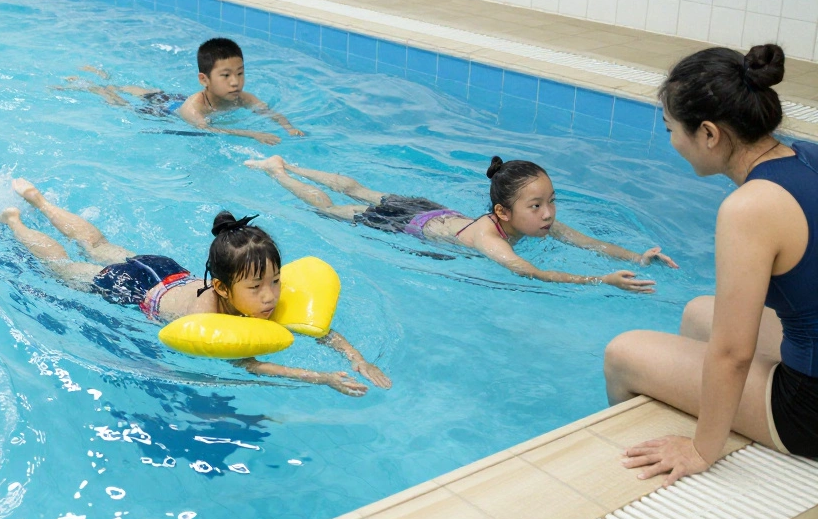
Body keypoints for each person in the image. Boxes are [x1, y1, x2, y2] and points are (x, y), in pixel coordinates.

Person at [604, 44, 818, 485]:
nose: (672, 142)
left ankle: (643, 475)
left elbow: (733, 353)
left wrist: (703, 449)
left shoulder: (750, 207)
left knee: (623, 354)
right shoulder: (808, 157)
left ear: (708, 133)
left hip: (809, 406)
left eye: (671, 129)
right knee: (699, 311)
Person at [0, 178, 390, 396]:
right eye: (256, 287)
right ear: (222, 288)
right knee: (64, 267)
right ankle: (16, 219)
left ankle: (40, 200)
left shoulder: (252, 295)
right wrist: (321, 378)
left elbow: (317, 330)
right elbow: (248, 364)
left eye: (275, 281)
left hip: (167, 270)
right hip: (133, 286)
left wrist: (356, 358)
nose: (270, 296)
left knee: (98, 244)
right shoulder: (208, 314)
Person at [245, 154, 677, 292]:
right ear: (503, 213)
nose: (547, 214)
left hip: (430, 209)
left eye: (551, 203)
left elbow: (588, 241)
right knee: (330, 208)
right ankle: (280, 172)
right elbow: (531, 271)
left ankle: (292, 164)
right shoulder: (492, 237)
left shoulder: (536, 223)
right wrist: (603, 281)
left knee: (358, 187)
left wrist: (636, 257)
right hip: (407, 224)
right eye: (536, 206)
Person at [61, 38, 305, 145]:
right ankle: (94, 86)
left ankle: (106, 79)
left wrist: (288, 127)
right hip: (164, 112)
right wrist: (252, 134)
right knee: (121, 104)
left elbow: (268, 111)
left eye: (240, 73)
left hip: (173, 98)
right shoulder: (194, 108)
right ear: (204, 79)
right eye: (226, 75)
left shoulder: (243, 98)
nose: (235, 82)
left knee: (150, 90)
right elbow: (207, 128)